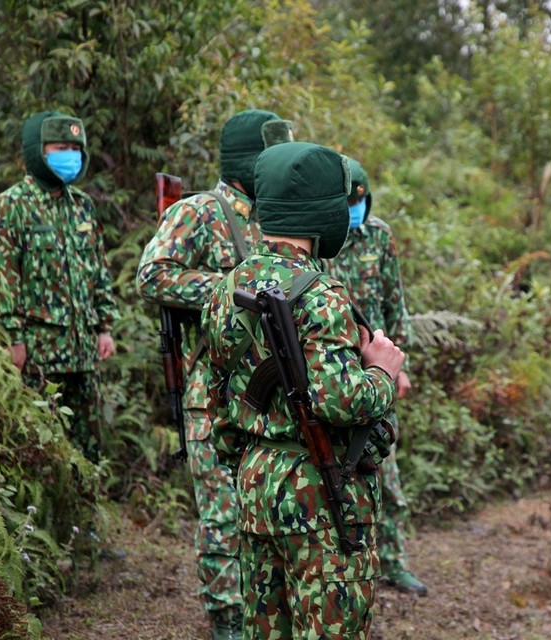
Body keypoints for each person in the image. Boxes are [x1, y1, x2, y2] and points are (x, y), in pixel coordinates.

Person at [204, 141, 405, 640]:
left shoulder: (226, 288)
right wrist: (382, 372)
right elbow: (340, 400)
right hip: (320, 490)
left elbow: (218, 400)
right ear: (324, 211)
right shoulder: (320, 295)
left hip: (256, 486)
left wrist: (252, 465)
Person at [136, 109, 291, 640]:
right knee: (223, 514)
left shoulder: (277, 217)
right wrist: (229, 290)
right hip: (213, 392)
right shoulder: (200, 211)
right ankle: (226, 617)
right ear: (249, 160)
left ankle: (262, 610)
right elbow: (153, 274)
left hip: (269, 394)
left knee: (265, 509)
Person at [0, 110, 118, 465]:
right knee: (42, 453)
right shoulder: (11, 207)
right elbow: (2, 281)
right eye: (61, 148)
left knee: (88, 454)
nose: (70, 155)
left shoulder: (83, 206)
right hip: (38, 358)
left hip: (84, 354)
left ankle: (88, 502)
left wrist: (105, 328)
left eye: (76, 148)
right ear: (38, 151)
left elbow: (98, 271)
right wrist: (13, 339)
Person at [323, 157, 427, 597]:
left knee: (385, 467)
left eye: (360, 204)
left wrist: (401, 366)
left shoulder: (379, 236)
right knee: (333, 465)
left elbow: (393, 301)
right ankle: (341, 557)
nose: (354, 212)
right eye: (348, 204)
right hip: (333, 371)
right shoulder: (320, 239)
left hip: (380, 368)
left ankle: (394, 563)